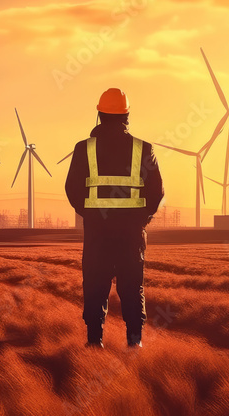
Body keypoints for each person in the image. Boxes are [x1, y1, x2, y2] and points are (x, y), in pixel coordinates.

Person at [64, 88, 164, 348]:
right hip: (131, 234)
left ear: (99, 113)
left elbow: (72, 189)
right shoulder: (144, 149)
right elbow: (156, 191)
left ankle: (94, 342)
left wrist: (91, 214)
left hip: (98, 233)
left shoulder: (84, 149)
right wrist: (142, 219)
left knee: (95, 286)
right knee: (132, 288)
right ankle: (134, 343)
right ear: (126, 116)